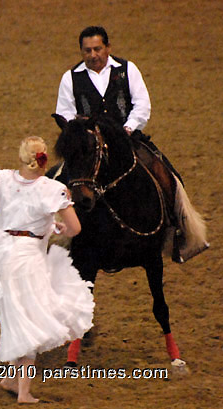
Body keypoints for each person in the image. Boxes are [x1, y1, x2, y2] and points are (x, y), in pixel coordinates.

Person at [55, 25, 208, 264]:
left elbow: (142, 104)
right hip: (89, 145)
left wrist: (128, 127)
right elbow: (64, 113)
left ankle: (181, 234)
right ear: (81, 52)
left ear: (107, 48)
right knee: (57, 182)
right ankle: (57, 240)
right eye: (87, 51)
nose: (93, 55)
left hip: (126, 139)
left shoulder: (128, 70)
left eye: (97, 49)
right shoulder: (70, 78)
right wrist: (81, 133)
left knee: (170, 176)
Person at [0, 136, 95, 403]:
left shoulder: (2, 178)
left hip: (1, 253)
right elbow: (76, 229)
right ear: (44, 158)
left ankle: (11, 379)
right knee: (31, 321)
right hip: (27, 258)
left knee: (18, 316)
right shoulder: (53, 189)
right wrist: (59, 227)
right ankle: (23, 392)